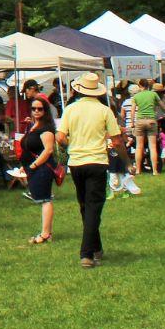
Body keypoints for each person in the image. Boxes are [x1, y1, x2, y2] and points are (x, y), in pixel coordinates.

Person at [57, 73, 121, 268]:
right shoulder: (104, 110)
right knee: (94, 206)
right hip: (97, 161)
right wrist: (110, 147)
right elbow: (116, 139)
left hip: (76, 162)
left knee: (85, 205)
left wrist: (71, 145)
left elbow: (60, 136)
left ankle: (96, 247)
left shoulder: (70, 109)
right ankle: (86, 253)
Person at [20, 100, 58, 244]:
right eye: (34, 108)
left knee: (45, 200)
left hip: (42, 169)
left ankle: (45, 234)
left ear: (45, 111)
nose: (36, 111)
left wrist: (34, 165)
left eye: (40, 109)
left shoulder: (46, 129)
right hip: (34, 168)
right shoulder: (34, 126)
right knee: (42, 199)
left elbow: (48, 150)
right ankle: (46, 231)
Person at [130, 79, 161, 175]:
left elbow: (133, 110)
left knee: (139, 146)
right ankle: (155, 170)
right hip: (151, 120)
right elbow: (161, 105)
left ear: (139, 85)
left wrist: (132, 123)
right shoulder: (153, 94)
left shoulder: (136, 96)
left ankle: (138, 169)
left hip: (140, 120)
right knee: (152, 146)